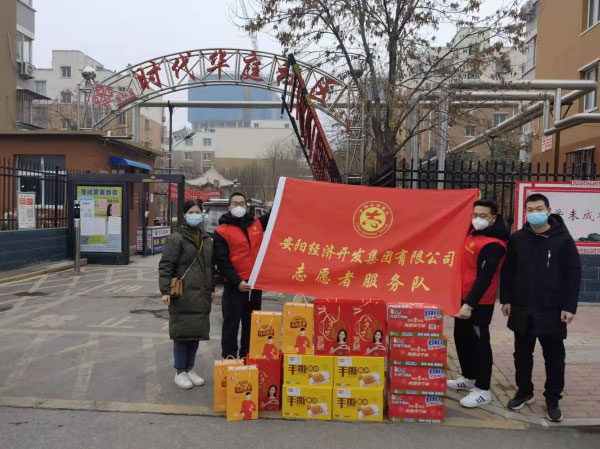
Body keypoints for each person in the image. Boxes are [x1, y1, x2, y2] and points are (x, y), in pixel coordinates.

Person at [500, 193, 581, 422]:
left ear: (548, 211)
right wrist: (506, 299)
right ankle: (524, 392)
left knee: (554, 357)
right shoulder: (518, 238)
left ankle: (553, 399)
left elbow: (573, 274)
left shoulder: (563, 239)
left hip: (552, 309)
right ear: (525, 212)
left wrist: (569, 307)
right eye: (530, 209)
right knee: (522, 354)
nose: (534, 213)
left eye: (539, 209)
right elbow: (508, 271)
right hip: (522, 307)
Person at [447, 199, 509, 408]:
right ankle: (469, 377)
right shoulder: (472, 234)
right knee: (462, 338)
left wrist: (470, 305)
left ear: (493, 218)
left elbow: (485, 278)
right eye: (475, 215)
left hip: (479, 302)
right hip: (463, 297)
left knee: (479, 343)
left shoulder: (494, 245)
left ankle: (483, 389)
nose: (478, 219)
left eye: (483, 216)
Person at [158, 199, 215, 390]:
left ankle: (190, 368)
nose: (194, 215)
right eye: (191, 212)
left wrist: (211, 289)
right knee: (182, 334)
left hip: (201, 294)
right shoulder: (176, 238)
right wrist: (165, 290)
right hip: (182, 293)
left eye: (197, 212)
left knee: (195, 333)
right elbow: (166, 265)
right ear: (184, 215)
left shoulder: (206, 239)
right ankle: (180, 372)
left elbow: (209, 267)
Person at [214, 192, 270, 359]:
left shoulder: (256, 224)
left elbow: (275, 214)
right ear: (229, 207)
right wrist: (237, 281)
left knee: (251, 324)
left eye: (242, 203)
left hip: (254, 286)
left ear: (247, 206)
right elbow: (222, 261)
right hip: (235, 287)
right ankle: (229, 358)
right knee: (231, 325)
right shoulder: (221, 231)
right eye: (235, 203)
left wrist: (286, 190)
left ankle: (247, 356)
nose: (239, 206)